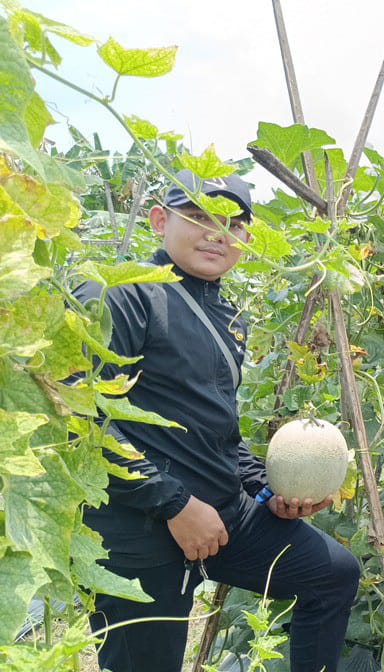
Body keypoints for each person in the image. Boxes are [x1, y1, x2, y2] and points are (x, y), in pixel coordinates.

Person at [78, 170, 360, 672]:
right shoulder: (118, 293)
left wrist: (265, 489)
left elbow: (217, 429)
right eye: (199, 216)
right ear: (159, 220)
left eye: (233, 223)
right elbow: (79, 416)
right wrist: (174, 504)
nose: (217, 233)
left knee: (332, 574)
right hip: (140, 527)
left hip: (222, 516)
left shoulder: (226, 314)